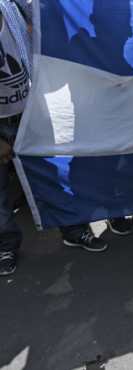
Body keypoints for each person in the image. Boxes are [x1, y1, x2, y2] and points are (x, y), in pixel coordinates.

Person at [0, 0, 32, 276]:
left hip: (29, 109)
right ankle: (6, 245)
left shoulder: (10, 5)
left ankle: (72, 226)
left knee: (49, 168)